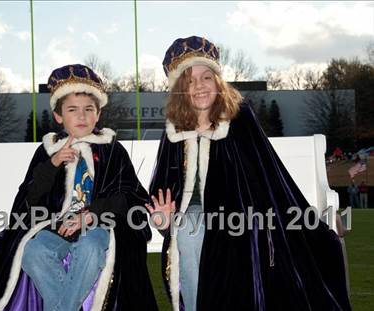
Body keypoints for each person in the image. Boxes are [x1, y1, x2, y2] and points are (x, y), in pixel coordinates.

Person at [146, 36, 351, 311]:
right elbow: (162, 191)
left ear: (218, 81)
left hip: (239, 211)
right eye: (189, 81)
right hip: (194, 215)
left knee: (236, 233)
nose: (199, 87)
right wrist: (162, 220)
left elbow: (269, 172)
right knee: (188, 231)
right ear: (179, 89)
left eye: (206, 77)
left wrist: (309, 219)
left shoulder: (239, 118)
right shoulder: (174, 130)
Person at [0, 64, 158, 311]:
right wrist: (52, 165)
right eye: (73, 110)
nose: (81, 116)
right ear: (59, 116)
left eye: (88, 110)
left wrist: (92, 213)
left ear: (98, 114)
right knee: (33, 251)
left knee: (91, 248)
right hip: (54, 226)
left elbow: (130, 196)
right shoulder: (48, 151)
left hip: (99, 223)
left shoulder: (112, 150)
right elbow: (30, 198)